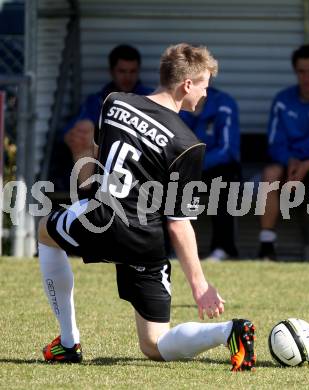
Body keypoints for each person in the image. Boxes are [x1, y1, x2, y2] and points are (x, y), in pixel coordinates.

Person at [38, 43, 256, 371]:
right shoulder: (187, 145)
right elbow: (178, 222)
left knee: (44, 232)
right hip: (143, 240)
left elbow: (100, 152)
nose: (205, 95)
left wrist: (89, 189)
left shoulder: (114, 103)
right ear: (187, 85)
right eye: (204, 87)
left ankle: (68, 343)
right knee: (155, 345)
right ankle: (229, 331)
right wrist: (200, 287)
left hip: (100, 219)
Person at [258, 43, 309, 261]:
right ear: (295, 72)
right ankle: (266, 247)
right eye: (301, 71)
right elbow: (274, 142)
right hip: (290, 166)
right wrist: (290, 161)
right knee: (270, 174)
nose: (307, 77)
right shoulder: (282, 100)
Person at [49, 44, 152, 190]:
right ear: (111, 72)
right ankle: (88, 201)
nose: (128, 77)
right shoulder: (96, 101)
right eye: (122, 71)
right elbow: (68, 133)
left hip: (140, 159)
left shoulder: (150, 99)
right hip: (105, 161)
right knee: (82, 131)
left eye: (132, 71)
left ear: (138, 71)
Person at [180, 87, 240, 261]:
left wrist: (198, 163)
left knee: (223, 183)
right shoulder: (176, 102)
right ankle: (172, 248)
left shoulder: (224, 103)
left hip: (217, 166)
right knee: (170, 182)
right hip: (187, 166)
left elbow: (228, 150)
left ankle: (223, 248)